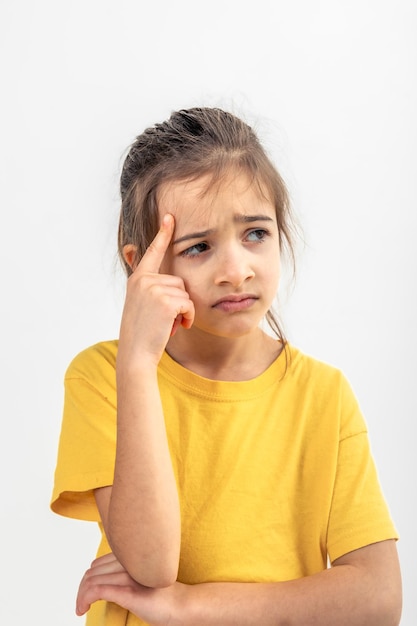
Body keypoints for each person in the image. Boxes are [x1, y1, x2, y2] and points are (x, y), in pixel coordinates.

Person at [50, 107, 402, 626]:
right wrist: (138, 361)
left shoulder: (324, 394)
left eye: (255, 234)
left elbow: (379, 598)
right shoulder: (105, 376)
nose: (236, 271)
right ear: (142, 266)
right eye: (198, 247)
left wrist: (188, 606)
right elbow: (150, 565)